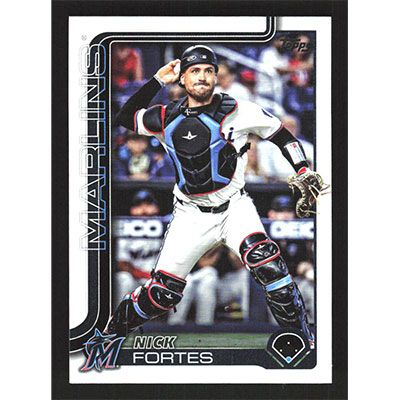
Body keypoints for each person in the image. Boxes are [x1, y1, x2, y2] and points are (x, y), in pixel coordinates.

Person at [106, 45, 322, 348]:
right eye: (195, 71)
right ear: (183, 78)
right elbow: (124, 116)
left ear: (216, 76)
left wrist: (302, 169)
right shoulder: (165, 116)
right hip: (190, 213)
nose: (202, 76)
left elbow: (283, 136)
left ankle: (303, 338)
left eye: (209, 70)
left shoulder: (240, 110)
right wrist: (157, 80)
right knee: (161, 294)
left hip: (234, 207)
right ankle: (111, 333)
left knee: (268, 263)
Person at [114, 190, 161, 304]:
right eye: (139, 205)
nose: (144, 209)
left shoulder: (166, 226)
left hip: (160, 279)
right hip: (135, 279)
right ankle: (120, 314)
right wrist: (144, 275)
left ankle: (178, 318)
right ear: (132, 209)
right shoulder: (125, 229)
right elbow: (122, 264)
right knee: (123, 278)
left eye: (148, 204)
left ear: (156, 208)